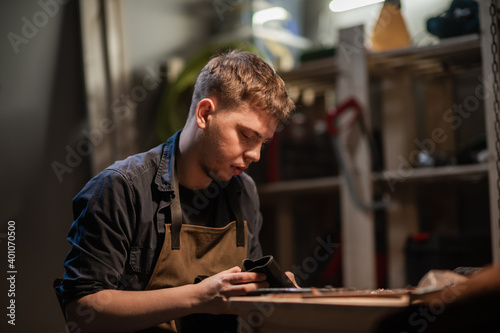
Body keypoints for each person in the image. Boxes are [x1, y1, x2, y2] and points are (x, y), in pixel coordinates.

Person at [55, 49, 296, 332]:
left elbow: (244, 300)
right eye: (246, 135)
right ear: (205, 113)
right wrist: (199, 297)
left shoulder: (244, 192)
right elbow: (81, 310)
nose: (255, 154)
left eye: (263, 142)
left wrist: (271, 294)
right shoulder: (120, 189)